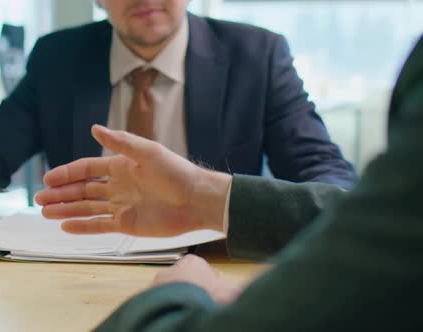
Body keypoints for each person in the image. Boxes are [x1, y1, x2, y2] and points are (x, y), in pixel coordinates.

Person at [35, 36, 423, 331]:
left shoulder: (258, 51)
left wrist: (181, 290)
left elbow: (330, 174)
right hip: (71, 282)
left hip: (211, 274)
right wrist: (205, 198)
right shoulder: (59, 54)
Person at [0, 0, 355, 241]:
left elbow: (330, 183)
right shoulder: (59, 58)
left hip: (213, 267)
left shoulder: (257, 55)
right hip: (77, 265)